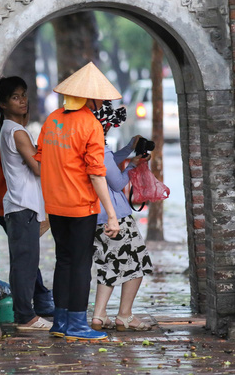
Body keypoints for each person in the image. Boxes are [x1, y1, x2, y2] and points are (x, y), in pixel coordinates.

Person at [33, 62, 122, 341]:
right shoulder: (90, 124)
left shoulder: (52, 119)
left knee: (64, 261)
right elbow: (97, 174)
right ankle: (78, 325)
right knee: (82, 264)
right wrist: (111, 214)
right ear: (91, 98)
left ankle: (60, 323)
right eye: (100, 99)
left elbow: (41, 158)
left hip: (55, 206)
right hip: (81, 206)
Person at [90, 100, 154, 332]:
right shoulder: (98, 144)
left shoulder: (82, 142)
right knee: (138, 262)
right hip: (114, 215)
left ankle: (98, 316)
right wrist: (131, 167)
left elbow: (105, 165)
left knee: (107, 264)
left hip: (93, 215)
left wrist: (128, 150)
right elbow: (116, 183)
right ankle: (124, 315)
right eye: (108, 126)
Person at [0, 76, 52, 331]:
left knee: (24, 262)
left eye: (24, 95)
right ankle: (26, 316)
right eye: (15, 97)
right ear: (3, 104)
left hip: (20, 205)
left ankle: (25, 314)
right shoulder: (16, 132)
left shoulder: (11, 129)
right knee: (25, 264)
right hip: (22, 205)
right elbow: (39, 168)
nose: (22, 101)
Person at [0, 142, 55, 319]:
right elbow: (38, 169)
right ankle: (28, 311)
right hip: (18, 205)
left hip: (11, 203)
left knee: (23, 258)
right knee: (25, 258)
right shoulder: (14, 135)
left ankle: (35, 302)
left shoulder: (7, 137)